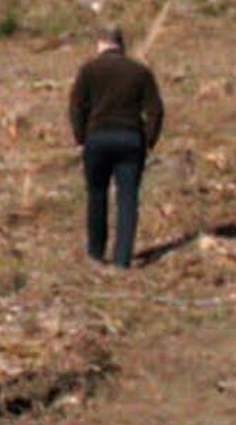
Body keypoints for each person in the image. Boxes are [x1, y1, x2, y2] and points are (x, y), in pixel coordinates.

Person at [65, 26, 164, 268]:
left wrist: (81, 137)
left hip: (97, 138)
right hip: (130, 138)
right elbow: (155, 110)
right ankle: (122, 259)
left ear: (100, 43)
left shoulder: (88, 70)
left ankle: (96, 253)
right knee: (127, 198)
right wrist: (149, 140)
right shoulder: (140, 72)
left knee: (97, 195)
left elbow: (76, 107)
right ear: (122, 45)